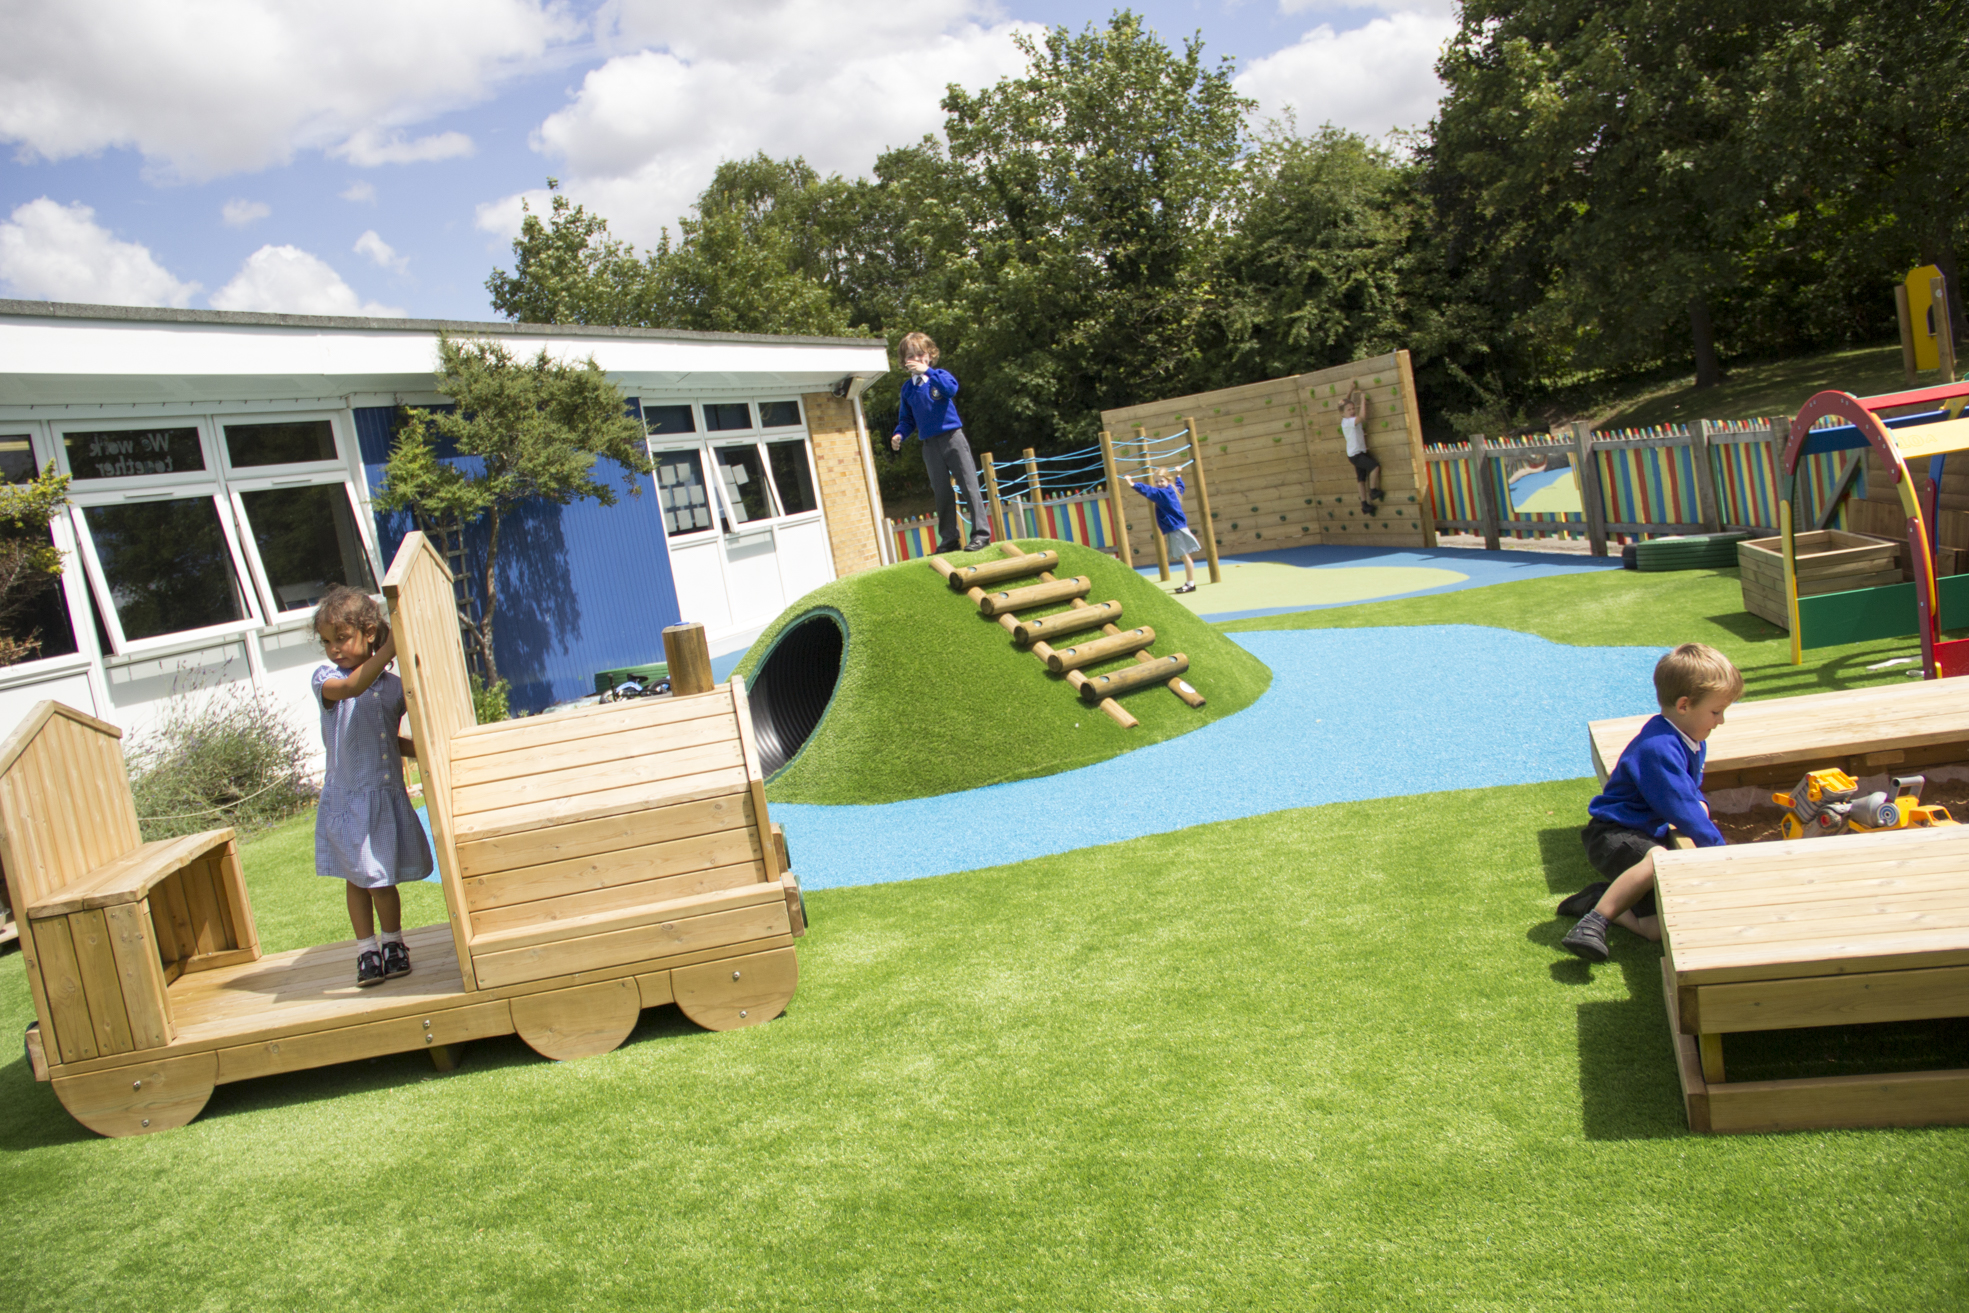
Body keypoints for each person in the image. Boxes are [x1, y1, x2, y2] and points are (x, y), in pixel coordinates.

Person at [1559, 643, 1743, 963]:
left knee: (1654, 930)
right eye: (1716, 711)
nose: (1721, 721)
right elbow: (1679, 804)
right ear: (1684, 705)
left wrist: (1699, 802)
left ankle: (1600, 897)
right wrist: (1718, 850)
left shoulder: (1690, 739)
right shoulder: (1658, 748)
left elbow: (1688, 791)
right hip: (1613, 835)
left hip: (1641, 835)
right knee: (1660, 859)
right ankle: (1594, 922)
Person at [312, 586, 433, 987]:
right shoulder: (327, 680)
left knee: (382, 878)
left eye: (342, 639)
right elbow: (351, 689)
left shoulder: (392, 688)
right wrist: (389, 650)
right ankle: (366, 950)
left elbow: (385, 736)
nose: (334, 650)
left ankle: (393, 943)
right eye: (327, 641)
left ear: (368, 633)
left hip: (383, 797)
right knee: (359, 878)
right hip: (348, 802)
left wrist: (421, 751)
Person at [888, 332, 991, 553]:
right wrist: (899, 434)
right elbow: (907, 419)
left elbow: (950, 390)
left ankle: (981, 534)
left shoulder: (939, 376)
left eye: (920, 354)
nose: (915, 359)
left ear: (930, 355)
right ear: (904, 362)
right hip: (930, 446)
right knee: (942, 492)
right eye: (910, 356)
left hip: (952, 438)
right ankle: (949, 539)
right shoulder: (907, 389)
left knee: (968, 486)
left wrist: (929, 372)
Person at [1129, 466, 1201, 595]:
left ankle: (1190, 583)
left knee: (1185, 557)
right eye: (1156, 481)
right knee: (1185, 556)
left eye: (1161, 481)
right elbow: (1181, 487)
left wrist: (1133, 484)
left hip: (1175, 528)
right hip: (1177, 526)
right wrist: (1178, 475)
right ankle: (1190, 583)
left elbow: (1149, 491)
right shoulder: (1173, 490)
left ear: (1168, 480)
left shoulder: (1163, 493)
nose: (1159, 484)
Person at [1341, 390, 1382, 516]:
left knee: (1361, 479)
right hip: (1356, 455)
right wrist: (1363, 400)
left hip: (1355, 454)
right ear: (1343, 413)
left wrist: (1350, 389)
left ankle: (1364, 505)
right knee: (1375, 467)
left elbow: (1344, 403)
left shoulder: (1348, 419)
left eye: (1353, 408)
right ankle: (1373, 491)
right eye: (1349, 410)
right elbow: (1363, 417)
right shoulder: (1349, 422)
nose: (1352, 411)